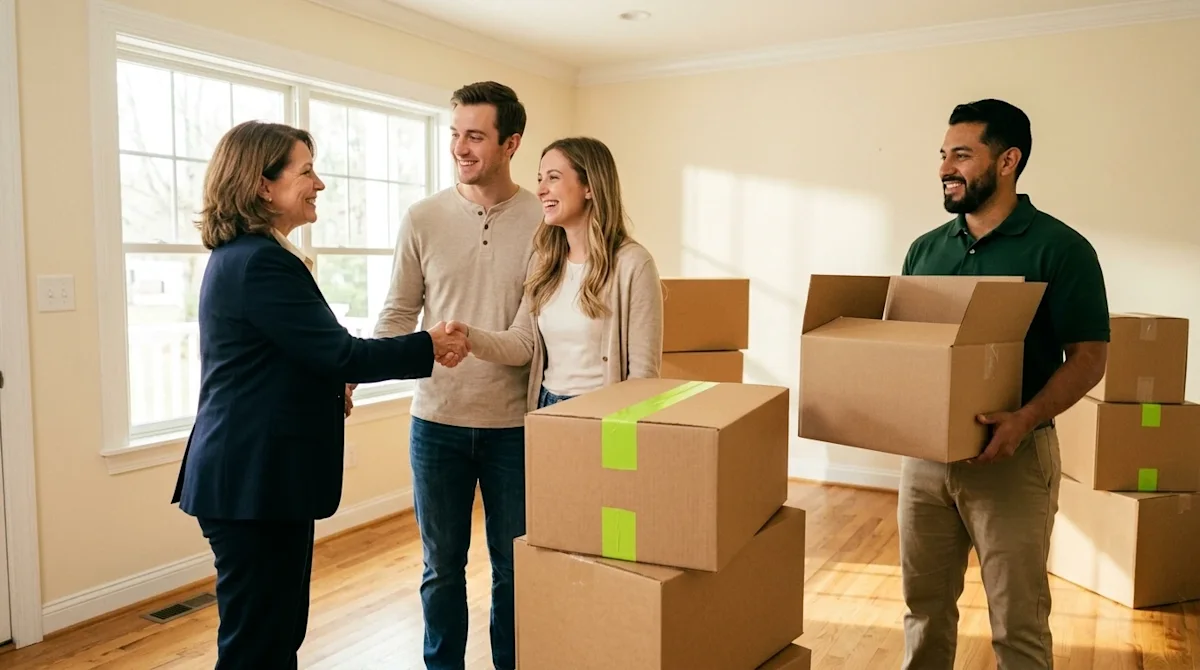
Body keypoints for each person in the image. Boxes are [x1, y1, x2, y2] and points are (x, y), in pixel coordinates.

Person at [170, 120, 468, 670]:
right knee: (258, 643)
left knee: (275, 633)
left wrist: (330, 384)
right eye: (306, 171)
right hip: (251, 483)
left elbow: (286, 359)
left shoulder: (248, 255)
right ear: (263, 185)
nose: (319, 184)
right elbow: (340, 353)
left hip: (258, 480)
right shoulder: (260, 262)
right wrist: (429, 342)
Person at [898, 99, 1110, 669]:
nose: (946, 167)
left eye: (962, 155)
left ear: (1009, 160)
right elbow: (908, 349)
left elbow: (1090, 357)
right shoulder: (925, 249)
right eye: (943, 154)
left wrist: (1026, 418)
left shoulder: (1061, 249)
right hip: (926, 461)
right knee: (923, 609)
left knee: (1016, 620)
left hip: (1012, 457)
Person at [371, 81, 543, 670]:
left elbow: (530, 335)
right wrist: (354, 371)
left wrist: (470, 339)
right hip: (436, 423)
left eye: (475, 136)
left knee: (514, 568)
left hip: (514, 427)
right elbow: (397, 313)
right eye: (454, 135)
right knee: (440, 569)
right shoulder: (422, 217)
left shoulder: (542, 221)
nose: (460, 148)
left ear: (510, 142)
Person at [446, 136, 664, 410]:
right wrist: (469, 336)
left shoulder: (633, 264)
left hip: (604, 412)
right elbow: (521, 343)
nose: (540, 190)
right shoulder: (544, 262)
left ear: (589, 187)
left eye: (553, 178)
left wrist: (621, 433)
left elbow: (643, 376)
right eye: (540, 179)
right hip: (546, 407)